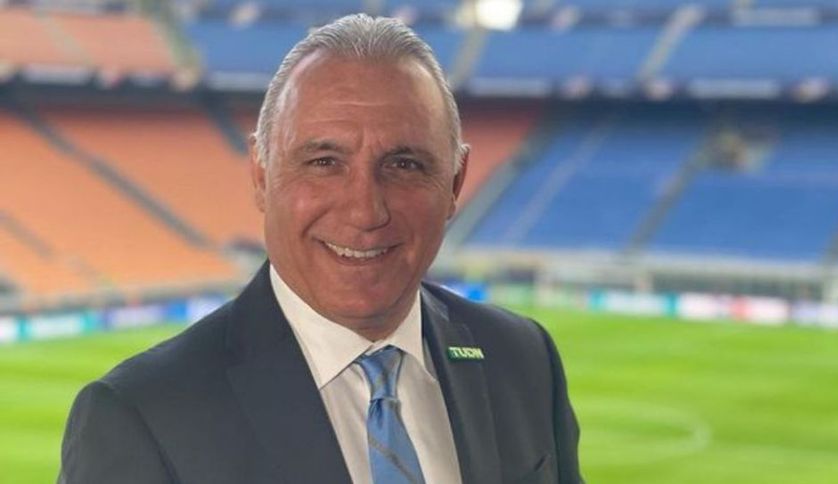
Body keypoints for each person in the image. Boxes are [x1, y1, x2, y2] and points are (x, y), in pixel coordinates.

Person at [59, 14, 583, 484]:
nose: (365, 211)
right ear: (261, 174)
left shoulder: (523, 360)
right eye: (323, 162)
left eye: (404, 165)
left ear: (455, 182)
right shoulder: (140, 417)